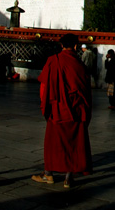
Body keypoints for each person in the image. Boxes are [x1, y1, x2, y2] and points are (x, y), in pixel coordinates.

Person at [32, 33, 92, 188]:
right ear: (76, 46)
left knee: (53, 143)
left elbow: (44, 86)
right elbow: (85, 89)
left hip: (57, 109)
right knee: (73, 144)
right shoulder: (79, 65)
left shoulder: (53, 61)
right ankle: (68, 178)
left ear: (61, 46)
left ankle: (48, 174)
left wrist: (45, 105)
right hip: (76, 110)